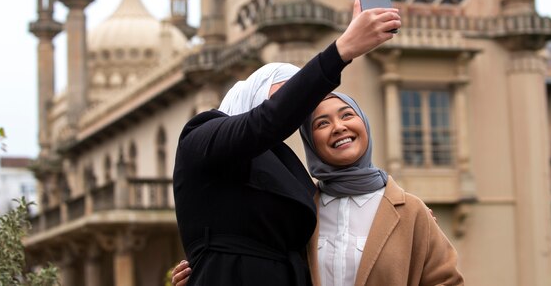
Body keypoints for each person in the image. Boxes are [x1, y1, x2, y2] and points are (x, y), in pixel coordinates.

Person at [173, 0, 400, 286]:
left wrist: (397, 213)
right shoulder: (202, 135)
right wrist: (341, 51)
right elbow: (267, 121)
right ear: (257, 91)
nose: (296, 108)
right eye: (286, 96)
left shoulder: (285, 165)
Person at [173, 91, 464, 286]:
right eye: (321, 123)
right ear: (310, 143)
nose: (338, 127)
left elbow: (446, 280)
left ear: (364, 124)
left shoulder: (409, 210)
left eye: (347, 115)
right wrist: (204, 271)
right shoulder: (298, 212)